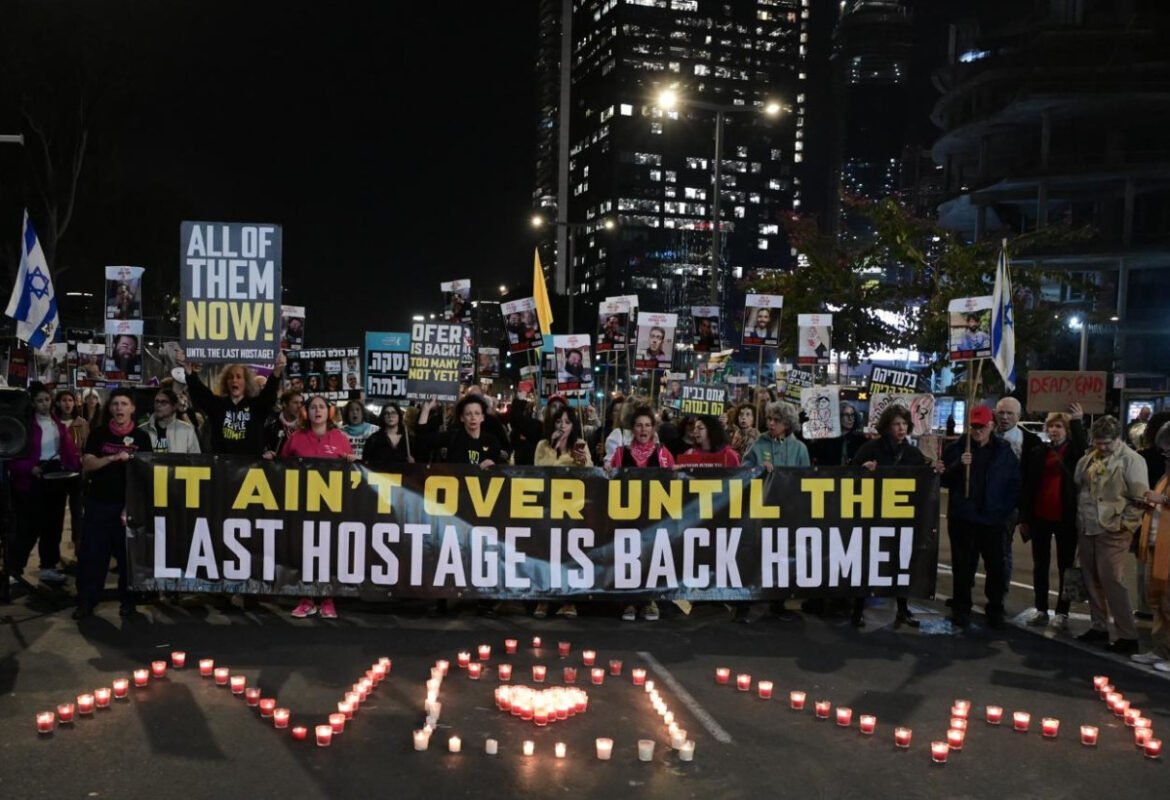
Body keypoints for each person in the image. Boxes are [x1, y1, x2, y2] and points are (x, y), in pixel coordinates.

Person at [851, 405, 945, 628]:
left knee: (901, 564)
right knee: (869, 563)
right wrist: (863, 469)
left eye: (904, 424)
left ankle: (903, 609)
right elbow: (850, 474)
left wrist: (934, 470)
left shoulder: (912, 453)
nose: (901, 428)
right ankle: (857, 609)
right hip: (873, 516)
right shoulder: (870, 448)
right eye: (896, 424)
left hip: (902, 517)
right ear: (887, 426)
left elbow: (923, 479)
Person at [1073, 415, 1149, 653]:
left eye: (1107, 443)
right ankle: (1099, 627)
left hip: (1113, 529)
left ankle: (1127, 635)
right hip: (1088, 526)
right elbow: (1079, 486)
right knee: (1091, 579)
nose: (1102, 447)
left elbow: (1140, 498)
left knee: (1113, 581)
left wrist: (1126, 525)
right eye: (1098, 442)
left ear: (1118, 439)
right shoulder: (1088, 458)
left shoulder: (1131, 460)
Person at [75, 389, 153, 619]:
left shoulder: (142, 437)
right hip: (99, 503)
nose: (119, 408)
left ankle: (128, 602)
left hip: (128, 506)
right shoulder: (99, 434)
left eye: (124, 404)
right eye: (115, 404)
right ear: (110, 408)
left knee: (128, 558)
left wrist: (131, 506)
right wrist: (111, 458)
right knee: (93, 556)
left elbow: (145, 475)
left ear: (132, 409)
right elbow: (88, 464)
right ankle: (87, 601)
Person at [940, 405, 1020, 629]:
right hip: (964, 519)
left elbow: (1014, 482)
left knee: (996, 567)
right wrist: (958, 465)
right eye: (974, 427)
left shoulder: (1003, 450)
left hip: (992, 520)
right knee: (963, 567)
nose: (978, 431)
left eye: (982, 427)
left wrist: (1004, 510)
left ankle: (995, 608)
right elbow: (943, 479)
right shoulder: (957, 449)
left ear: (991, 425)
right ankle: (961, 608)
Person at [284, 395, 357, 619]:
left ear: (329, 412)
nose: (317, 411)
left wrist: (351, 461)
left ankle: (327, 600)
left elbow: (352, 470)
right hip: (302, 505)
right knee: (304, 551)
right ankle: (306, 599)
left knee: (328, 552)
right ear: (306, 412)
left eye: (321, 407)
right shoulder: (295, 438)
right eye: (313, 407)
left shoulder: (340, 438)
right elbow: (281, 466)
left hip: (330, 507)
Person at [1018, 406, 1087, 629]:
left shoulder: (1073, 453)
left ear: (1066, 430)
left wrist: (1077, 420)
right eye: (1051, 426)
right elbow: (1028, 486)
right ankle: (1041, 609)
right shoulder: (1039, 452)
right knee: (1040, 565)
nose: (1054, 430)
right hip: (1040, 516)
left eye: (1059, 426)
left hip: (1065, 517)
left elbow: (1082, 447)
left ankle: (1062, 612)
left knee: (1065, 566)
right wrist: (1024, 518)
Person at [9, 384, 82, 585]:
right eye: (40, 401)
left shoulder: (57, 424)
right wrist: (28, 468)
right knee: (28, 527)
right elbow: (13, 456)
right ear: (33, 403)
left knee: (53, 525)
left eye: (47, 400)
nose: (44, 404)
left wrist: (75, 465)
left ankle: (48, 567)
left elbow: (68, 450)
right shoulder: (25, 425)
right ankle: (14, 568)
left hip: (56, 474)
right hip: (32, 477)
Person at [610, 404, 673, 622]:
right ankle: (629, 601)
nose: (643, 429)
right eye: (639, 425)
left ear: (653, 428)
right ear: (632, 429)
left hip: (654, 517)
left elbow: (674, 482)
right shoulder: (621, 453)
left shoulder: (663, 454)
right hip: (627, 516)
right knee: (628, 558)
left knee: (651, 558)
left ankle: (648, 600)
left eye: (647, 425)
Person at [532, 405, 593, 619]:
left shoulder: (580, 445)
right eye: (559, 421)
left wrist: (582, 462)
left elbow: (590, 474)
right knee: (546, 554)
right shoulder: (542, 445)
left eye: (567, 422)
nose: (562, 426)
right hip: (548, 508)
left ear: (573, 425)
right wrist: (553, 448)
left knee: (569, 554)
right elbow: (539, 471)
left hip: (572, 510)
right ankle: (544, 599)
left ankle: (568, 600)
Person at [178, 349, 285, 455]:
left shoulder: (256, 406)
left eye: (239, 377)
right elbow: (200, 393)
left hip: (251, 464)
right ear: (226, 382)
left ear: (246, 382)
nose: (234, 380)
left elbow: (269, 394)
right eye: (230, 377)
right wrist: (188, 370)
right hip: (222, 464)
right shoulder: (218, 405)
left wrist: (277, 371)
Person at [1132, 422, 1170, 672]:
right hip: (1157, 545)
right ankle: (1160, 650)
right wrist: (1149, 504)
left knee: (1168, 602)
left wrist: (1163, 499)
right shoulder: (1166, 475)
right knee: (1156, 601)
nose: (1165, 455)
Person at [995, 396, 1043, 594]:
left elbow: (1035, 478)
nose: (1005, 417)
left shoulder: (1031, 442)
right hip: (987, 503)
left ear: (1018, 416)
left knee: (1002, 549)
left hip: (1013, 504)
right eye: (1001, 413)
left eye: (1009, 413)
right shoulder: (985, 435)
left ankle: (1000, 593)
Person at [54, 389, 89, 559]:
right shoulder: (53, 422)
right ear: (57, 403)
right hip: (56, 473)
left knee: (78, 512)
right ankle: (53, 554)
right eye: (63, 400)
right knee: (55, 514)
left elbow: (87, 447)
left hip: (76, 473)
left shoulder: (82, 423)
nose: (67, 403)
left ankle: (79, 549)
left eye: (70, 400)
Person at [743, 401, 810, 469]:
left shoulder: (799, 449)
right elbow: (744, 470)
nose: (771, 423)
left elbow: (806, 474)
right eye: (769, 418)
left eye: (776, 420)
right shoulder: (758, 443)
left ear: (787, 424)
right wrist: (759, 468)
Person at [140, 388, 202, 454]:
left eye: (164, 402)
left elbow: (196, 457)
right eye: (157, 401)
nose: (158, 405)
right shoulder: (143, 429)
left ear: (174, 406)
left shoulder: (187, 430)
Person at [810, 401, 866, 467]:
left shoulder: (860, 440)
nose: (850, 419)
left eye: (852, 415)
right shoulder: (826, 440)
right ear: (838, 417)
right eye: (846, 415)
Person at [362, 403, 414, 468]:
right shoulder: (374, 439)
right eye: (386, 413)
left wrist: (414, 463)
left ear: (399, 416)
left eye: (393, 413)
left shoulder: (409, 439)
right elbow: (365, 463)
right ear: (383, 417)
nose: (390, 416)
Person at [263, 390, 304, 458]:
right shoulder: (271, 423)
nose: (299, 406)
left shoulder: (305, 425)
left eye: (301, 403)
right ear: (284, 404)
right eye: (295, 403)